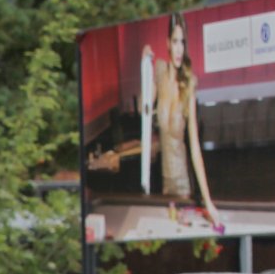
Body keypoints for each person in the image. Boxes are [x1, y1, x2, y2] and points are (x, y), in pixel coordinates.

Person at [88, 13, 222, 233]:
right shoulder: (159, 70)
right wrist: (145, 69)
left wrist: (208, 201)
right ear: (167, 43)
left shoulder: (189, 83)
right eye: (175, 41)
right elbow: (144, 109)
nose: (179, 49)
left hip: (181, 182)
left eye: (183, 42)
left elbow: (195, 148)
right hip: (161, 180)